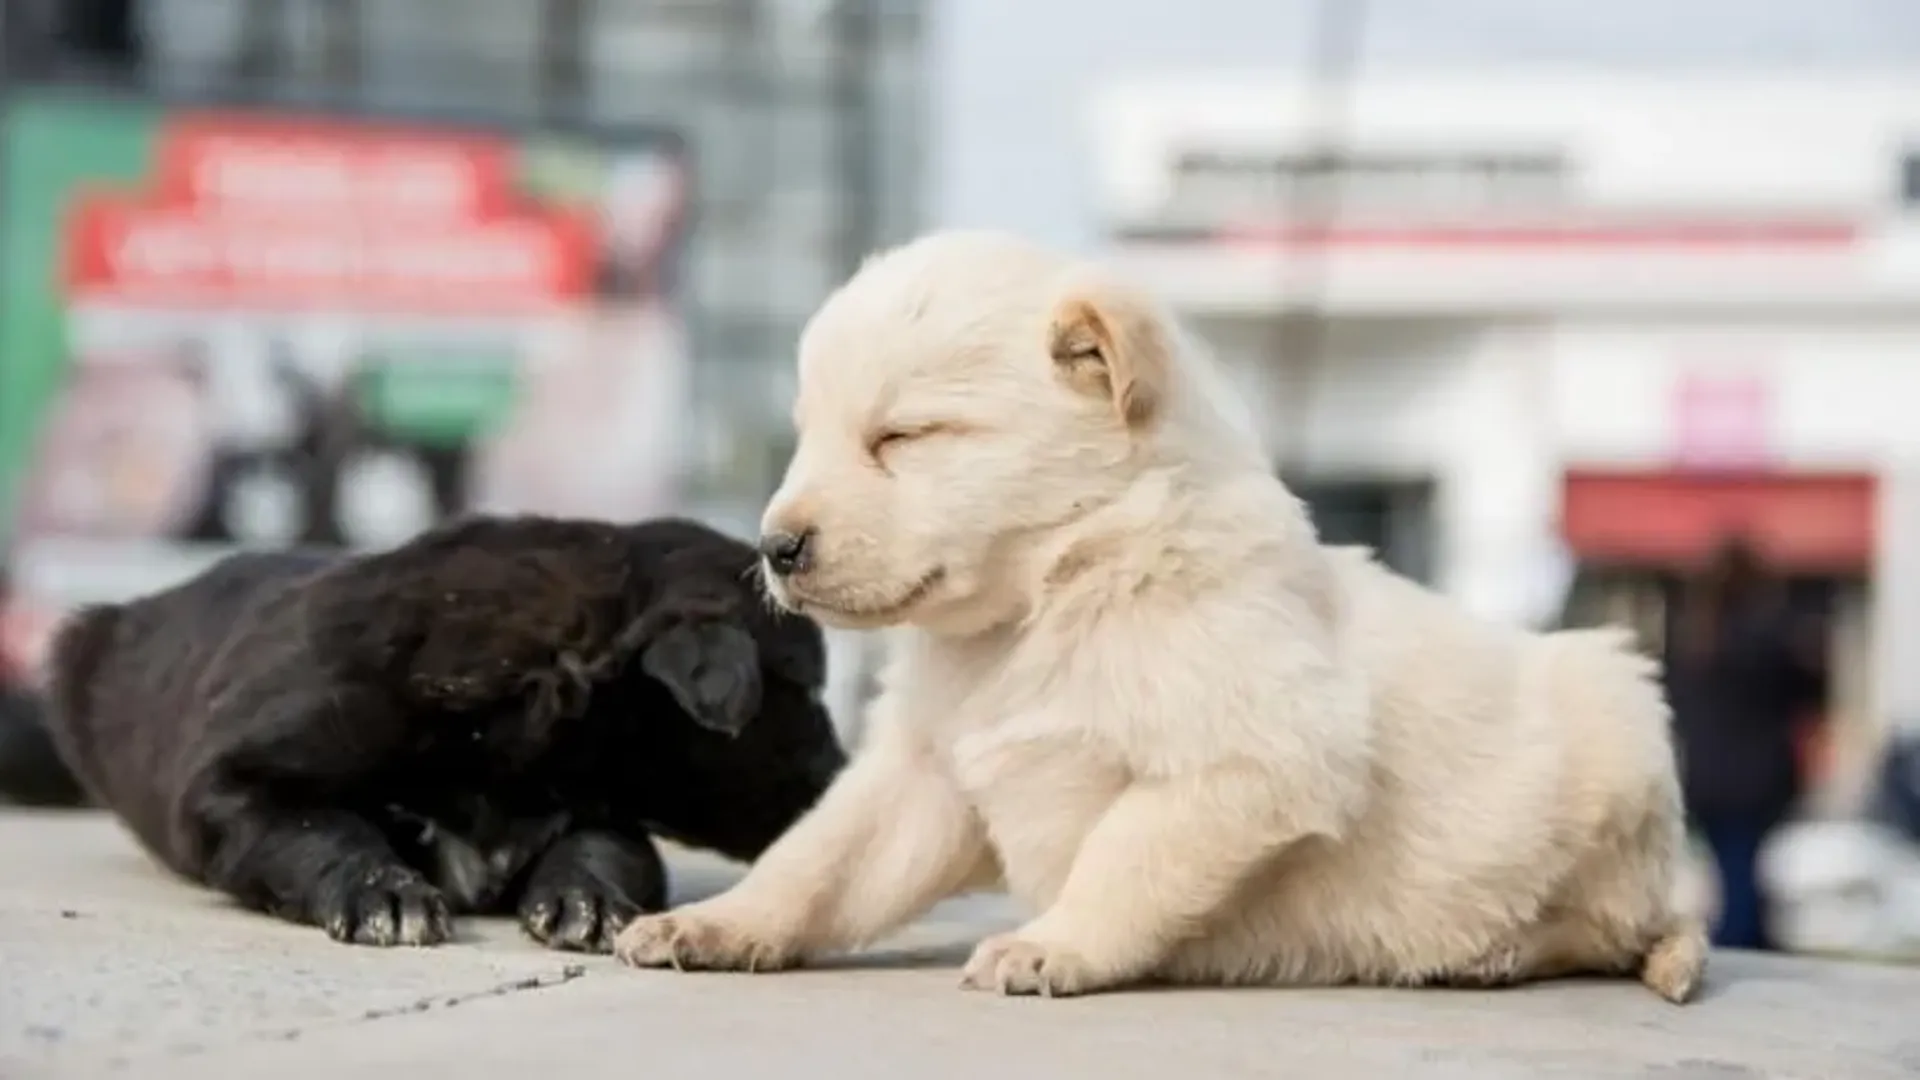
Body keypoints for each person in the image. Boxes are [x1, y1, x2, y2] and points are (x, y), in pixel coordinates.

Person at [1666, 535, 1829, 951]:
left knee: (1735, 868)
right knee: (1743, 873)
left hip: (1704, 775)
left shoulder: (1693, 638)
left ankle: (1751, 936)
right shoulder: (1772, 634)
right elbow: (1808, 694)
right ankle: (1740, 947)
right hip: (1757, 778)